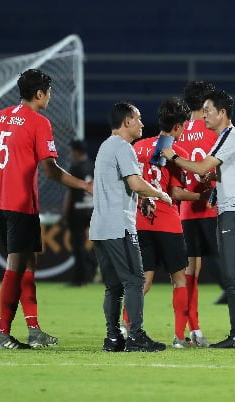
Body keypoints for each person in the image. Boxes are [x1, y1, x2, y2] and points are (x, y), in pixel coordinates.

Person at [0, 69, 93, 349]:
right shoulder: (39, 122)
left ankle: (34, 329)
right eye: (49, 92)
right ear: (39, 94)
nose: (50, 97)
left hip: (0, 203)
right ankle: (2, 333)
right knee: (16, 265)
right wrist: (83, 186)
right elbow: (50, 171)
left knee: (28, 263)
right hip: (21, 205)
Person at [161, 89, 235, 349]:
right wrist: (213, 178)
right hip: (229, 210)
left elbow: (202, 167)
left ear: (223, 113)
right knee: (230, 274)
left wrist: (174, 158)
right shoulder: (224, 138)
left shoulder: (232, 136)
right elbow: (220, 172)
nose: (205, 116)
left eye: (209, 111)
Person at [90, 102, 171, 353]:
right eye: (138, 119)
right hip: (119, 227)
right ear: (127, 122)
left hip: (100, 228)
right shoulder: (124, 147)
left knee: (113, 286)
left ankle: (113, 338)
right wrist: (160, 195)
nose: (142, 124)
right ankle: (136, 336)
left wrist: (144, 199)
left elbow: (125, 185)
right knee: (135, 281)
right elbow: (135, 183)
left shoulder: (105, 146)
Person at [132, 97, 210, 348]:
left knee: (143, 281)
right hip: (167, 223)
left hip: (140, 222)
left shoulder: (138, 147)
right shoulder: (177, 152)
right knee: (179, 280)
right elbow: (176, 193)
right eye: (184, 125)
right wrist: (202, 195)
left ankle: (126, 328)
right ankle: (178, 337)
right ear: (177, 127)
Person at [176, 81, 222, 347]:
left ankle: (193, 329)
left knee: (188, 271)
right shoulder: (213, 130)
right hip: (212, 208)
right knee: (231, 269)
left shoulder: (179, 132)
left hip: (185, 211)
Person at [61, 139, 95, 287]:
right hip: (91, 209)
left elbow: (70, 192)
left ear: (76, 151)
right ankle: (92, 266)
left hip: (77, 211)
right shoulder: (92, 166)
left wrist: (64, 212)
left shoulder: (75, 168)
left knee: (77, 244)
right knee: (84, 244)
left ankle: (80, 277)